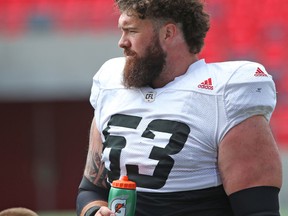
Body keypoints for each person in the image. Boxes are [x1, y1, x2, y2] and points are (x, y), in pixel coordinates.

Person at [76, 0, 283, 215]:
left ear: (168, 33)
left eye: (131, 31)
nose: (122, 42)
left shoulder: (223, 94)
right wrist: (94, 212)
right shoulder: (111, 84)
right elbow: (90, 190)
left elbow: (257, 210)